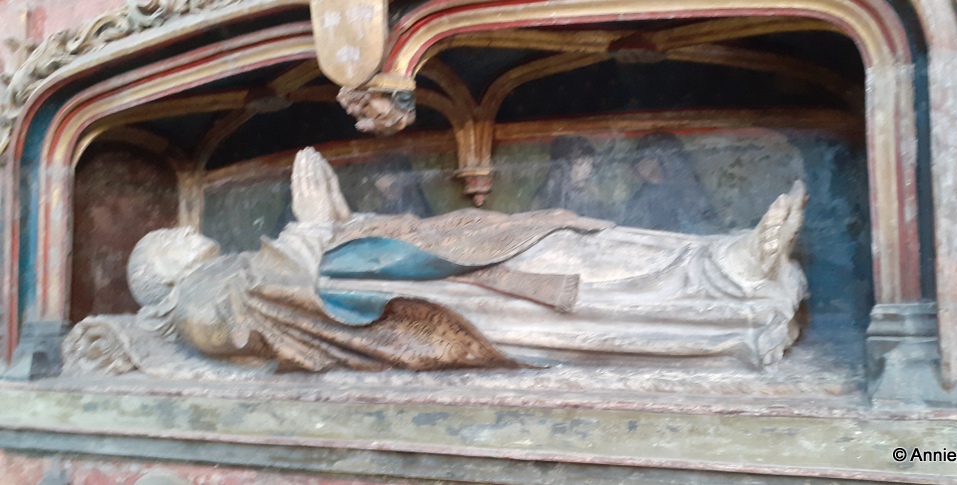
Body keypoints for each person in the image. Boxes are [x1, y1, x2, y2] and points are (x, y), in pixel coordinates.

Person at [71, 147, 808, 375]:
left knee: (555, 233)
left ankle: (721, 258)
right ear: (159, 274)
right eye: (164, 240)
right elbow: (279, 310)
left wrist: (330, 217)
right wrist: (312, 224)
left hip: (404, 256)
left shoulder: (214, 273)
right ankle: (727, 295)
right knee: (558, 283)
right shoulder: (194, 307)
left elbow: (302, 265)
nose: (180, 233)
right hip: (405, 305)